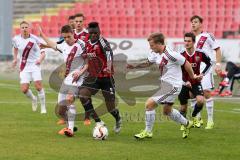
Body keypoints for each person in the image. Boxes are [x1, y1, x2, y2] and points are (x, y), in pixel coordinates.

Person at [127, 33, 201, 139]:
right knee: (167, 111)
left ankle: (148, 132)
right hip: (165, 85)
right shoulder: (155, 53)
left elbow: (186, 63)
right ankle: (187, 123)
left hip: (172, 86)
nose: (150, 47)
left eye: (152, 45)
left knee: (149, 105)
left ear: (159, 44)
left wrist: (192, 77)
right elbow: (148, 63)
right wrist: (134, 66)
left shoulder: (171, 54)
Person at [39, 25, 87, 137]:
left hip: (78, 78)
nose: (66, 39)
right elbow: (53, 44)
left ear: (73, 34)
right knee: (61, 111)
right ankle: (70, 125)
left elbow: (89, 62)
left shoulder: (81, 45)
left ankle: (70, 129)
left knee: (69, 99)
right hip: (67, 79)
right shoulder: (64, 45)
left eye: (68, 37)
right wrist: (42, 35)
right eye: (64, 37)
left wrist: (80, 72)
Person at [79, 22, 122, 133]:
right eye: (91, 33)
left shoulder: (103, 42)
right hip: (92, 77)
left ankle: (118, 118)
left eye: (95, 33)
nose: (93, 35)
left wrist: (108, 67)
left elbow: (109, 54)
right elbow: (84, 56)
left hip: (106, 78)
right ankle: (98, 122)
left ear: (99, 32)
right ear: (89, 32)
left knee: (110, 107)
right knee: (83, 95)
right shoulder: (86, 42)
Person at [190, 15, 222, 129]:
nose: (193, 24)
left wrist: (218, 64)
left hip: (206, 67)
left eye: (195, 22)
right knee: (192, 94)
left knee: (206, 92)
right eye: (192, 22)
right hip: (194, 68)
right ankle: (197, 119)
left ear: (201, 24)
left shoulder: (207, 36)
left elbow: (217, 49)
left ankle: (210, 120)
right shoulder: (190, 38)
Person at [178, 32, 212, 131]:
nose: (186, 43)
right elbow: (177, 70)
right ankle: (183, 122)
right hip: (184, 83)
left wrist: (202, 74)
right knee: (183, 108)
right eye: (185, 41)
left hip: (196, 82)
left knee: (201, 101)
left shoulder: (200, 53)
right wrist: (184, 81)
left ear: (193, 42)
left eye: (189, 41)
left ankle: (194, 116)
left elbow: (209, 63)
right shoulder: (181, 54)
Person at [12, 21, 46, 114]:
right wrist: (15, 59)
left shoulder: (35, 39)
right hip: (24, 67)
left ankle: (43, 107)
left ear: (29, 28)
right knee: (24, 89)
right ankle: (34, 99)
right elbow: (15, 48)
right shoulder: (16, 39)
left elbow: (43, 52)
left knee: (38, 86)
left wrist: (40, 60)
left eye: (26, 27)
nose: (24, 29)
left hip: (35, 65)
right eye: (22, 27)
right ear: (20, 29)